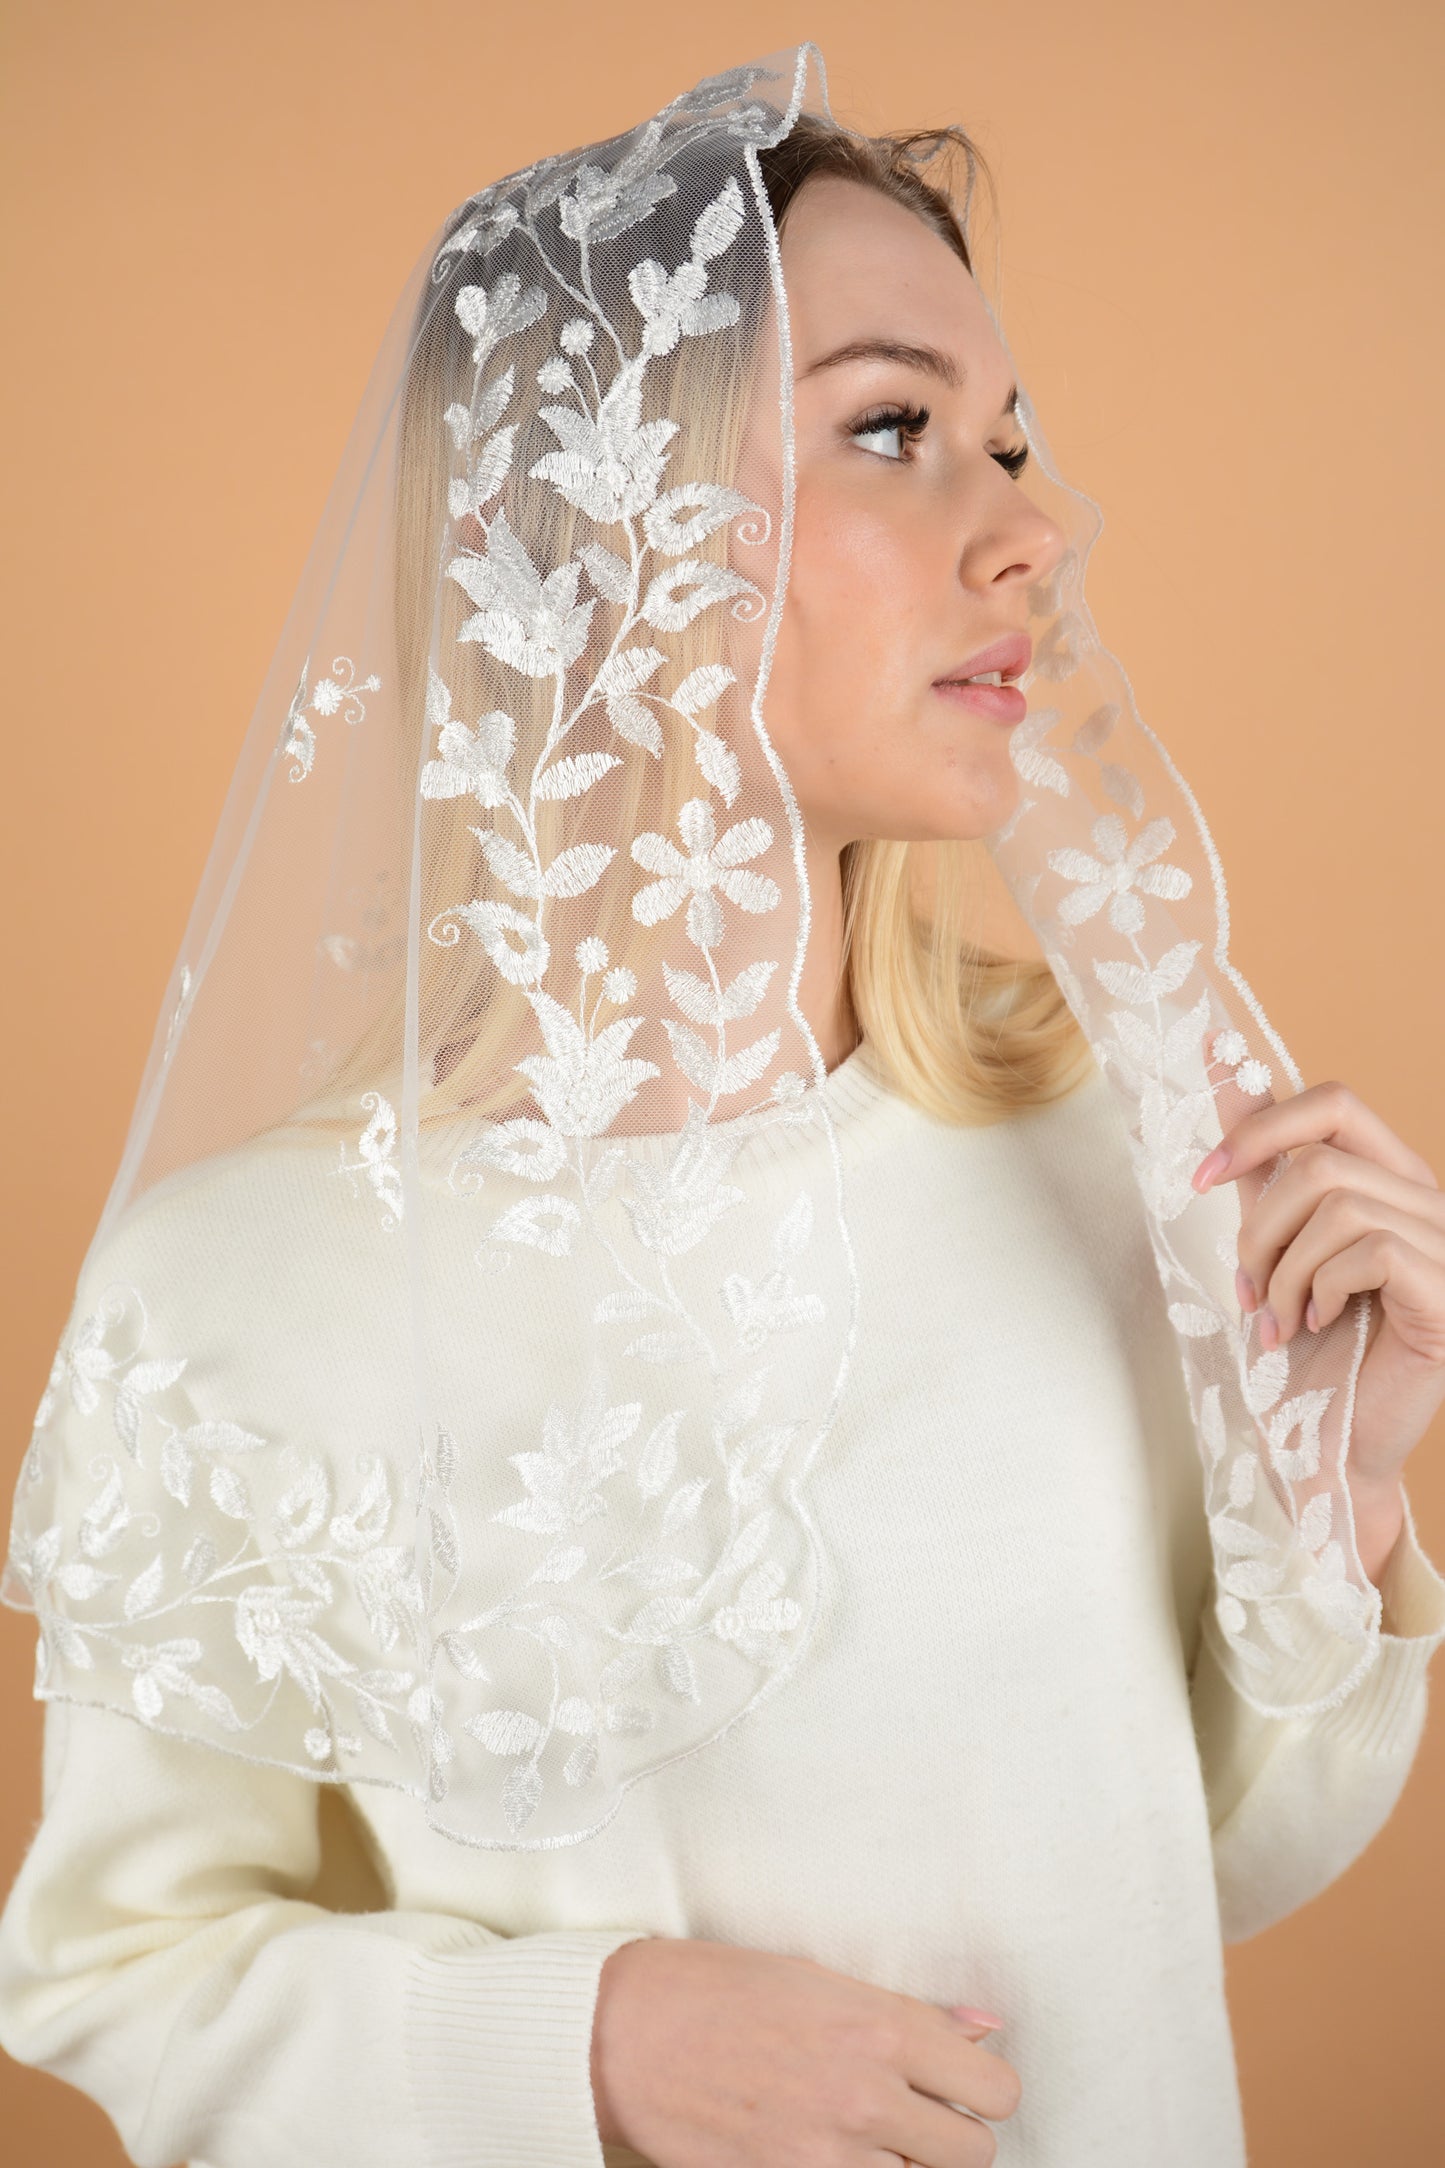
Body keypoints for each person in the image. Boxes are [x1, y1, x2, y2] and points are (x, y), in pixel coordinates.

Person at [3, 46, 1444, 2168]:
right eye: (893, 429)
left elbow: (1200, 1866)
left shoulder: (1115, 1160)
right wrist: (582, 2045)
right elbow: (111, 1972)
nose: (1033, 529)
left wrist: (1346, 1492)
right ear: (582, 524)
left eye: (1008, 441)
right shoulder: (235, 1295)